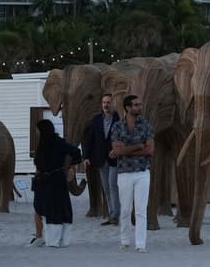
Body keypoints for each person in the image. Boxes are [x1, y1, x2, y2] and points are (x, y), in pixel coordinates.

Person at [110, 94, 154, 253]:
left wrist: (125, 150)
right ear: (127, 108)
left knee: (141, 210)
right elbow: (117, 150)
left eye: (139, 104)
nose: (139, 107)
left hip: (142, 171)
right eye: (136, 105)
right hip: (124, 173)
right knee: (125, 209)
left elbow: (150, 150)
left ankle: (140, 244)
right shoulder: (117, 126)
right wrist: (138, 146)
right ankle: (125, 240)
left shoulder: (146, 125)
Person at [32, 119, 82, 248]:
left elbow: (76, 153)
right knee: (39, 208)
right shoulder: (42, 143)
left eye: (38, 130)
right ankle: (42, 237)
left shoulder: (59, 142)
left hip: (56, 180)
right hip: (42, 181)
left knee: (56, 209)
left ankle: (55, 240)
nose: (37, 133)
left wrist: (71, 167)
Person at [82, 93, 121, 225]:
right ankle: (112, 214)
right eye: (104, 102)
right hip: (100, 158)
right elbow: (91, 139)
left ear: (112, 104)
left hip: (115, 158)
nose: (106, 105)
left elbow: (122, 137)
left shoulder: (118, 119)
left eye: (108, 102)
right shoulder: (96, 119)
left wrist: (118, 150)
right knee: (106, 188)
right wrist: (86, 156)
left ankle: (116, 215)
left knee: (113, 185)